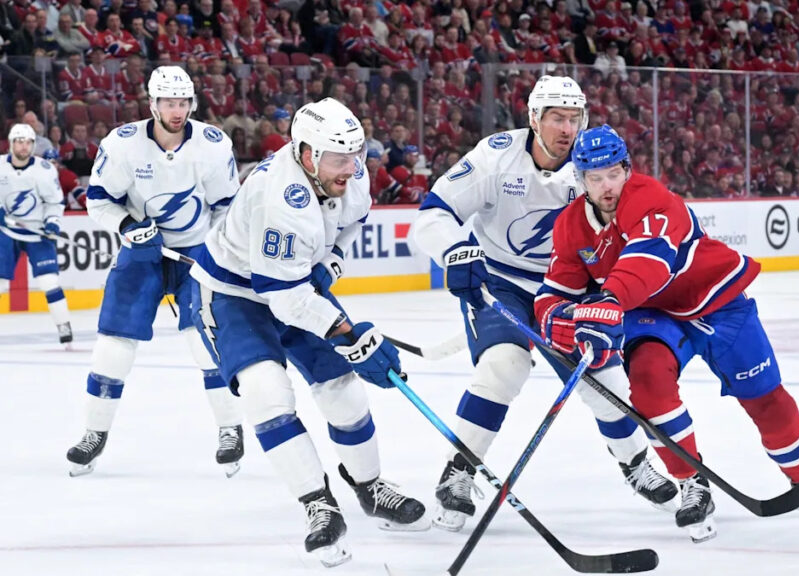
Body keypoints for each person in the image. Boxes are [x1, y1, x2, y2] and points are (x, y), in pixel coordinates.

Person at [536, 125, 799, 542]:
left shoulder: (651, 197)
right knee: (648, 383)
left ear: (626, 168)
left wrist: (608, 301)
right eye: (595, 177)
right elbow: (555, 290)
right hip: (652, 313)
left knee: (766, 399)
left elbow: (648, 260)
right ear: (579, 180)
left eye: (613, 173)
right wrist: (557, 320)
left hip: (717, 300)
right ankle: (692, 484)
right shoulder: (570, 226)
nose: (607, 186)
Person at [411, 76, 677, 533]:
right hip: (501, 284)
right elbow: (432, 215)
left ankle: (634, 462)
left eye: (574, 118)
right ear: (533, 118)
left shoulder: (594, 165)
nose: (567, 128)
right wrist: (454, 252)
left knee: (603, 380)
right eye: (556, 117)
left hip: (571, 288)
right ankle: (459, 469)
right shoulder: (496, 156)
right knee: (504, 364)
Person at [189, 98, 429, 567]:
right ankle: (317, 505)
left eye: (356, 155)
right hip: (234, 295)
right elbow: (284, 299)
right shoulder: (277, 195)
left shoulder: (350, 175)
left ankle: (371, 488)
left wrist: (332, 261)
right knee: (266, 394)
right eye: (339, 158)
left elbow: (350, 224)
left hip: (291, 282)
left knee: (344, 392)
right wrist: (348, 333)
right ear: (305, 154)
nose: (353, 168)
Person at [65, 66, 244, 478]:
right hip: (140, 252)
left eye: (182, 102)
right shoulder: (123, 144)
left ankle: (230, 428)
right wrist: (127, 226)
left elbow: (228, 209)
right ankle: (95, 432)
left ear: (192, 103)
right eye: (168, 102)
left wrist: (218, 251)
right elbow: (99, 201)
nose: (176, 110)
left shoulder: (213, 146)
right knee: (113, 343)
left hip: (197, 253)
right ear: (152, 104)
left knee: (206, 342)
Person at [0, 124, 73, 345]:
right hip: (6, 231)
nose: (24, 146)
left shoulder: (44, 169)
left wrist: (52, 223)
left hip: (37, 231)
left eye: (28, 142)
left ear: (33, 145)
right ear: (11, 143)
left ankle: (63, 325)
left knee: (49, 281)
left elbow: (54, 202)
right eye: (19, 141)